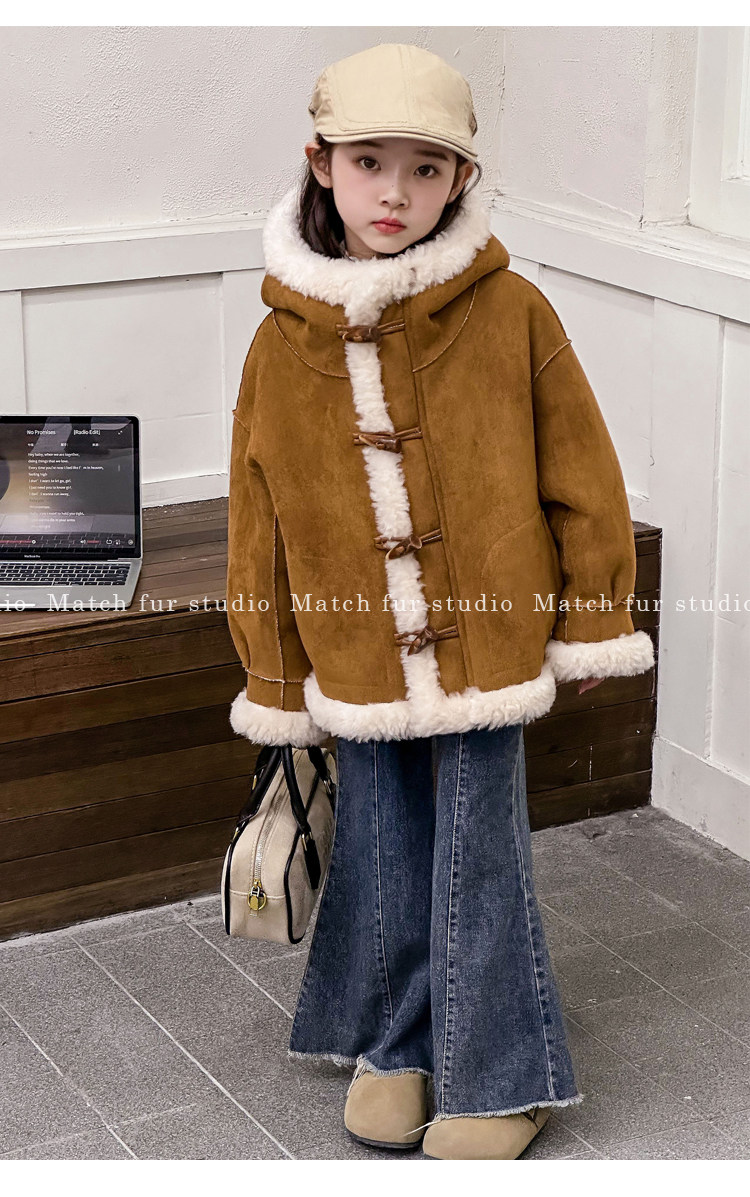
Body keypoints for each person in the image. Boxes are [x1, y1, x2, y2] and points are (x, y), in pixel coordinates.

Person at [225, 42, 655, 1161]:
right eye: (370, 162)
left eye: (426, 169)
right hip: (355, 653)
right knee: (380, 851)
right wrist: (276, 678)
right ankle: (399, 1048)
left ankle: (504, 1076)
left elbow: (584, 473)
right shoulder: (280, 341)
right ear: (320, 163)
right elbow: (257, 527)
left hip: (489, 644)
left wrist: (594, 619)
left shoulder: (512, 312)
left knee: (478, 857)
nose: (395, 193)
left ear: (461, 178)